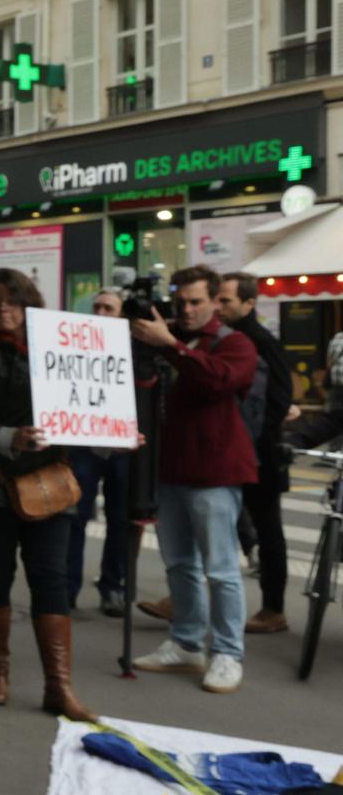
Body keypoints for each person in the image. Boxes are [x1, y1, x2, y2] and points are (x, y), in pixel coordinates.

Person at [0, 268, 95, 722]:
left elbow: (86, 400)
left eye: (12, 301)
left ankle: (59, 686)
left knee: (50, 578)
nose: (3, 309)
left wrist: (113, 431)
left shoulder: (60, 350)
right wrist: (11, 435)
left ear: (30, 305)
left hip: (50, 484)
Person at [130, 265, 259, 693]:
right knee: (180, 564)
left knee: (221, 569)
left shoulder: (234, 343)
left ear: (214, 302)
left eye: (196, 302)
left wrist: (171, 347)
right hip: (169, 470)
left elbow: (219, 381)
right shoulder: (165, 338)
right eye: (180, 301)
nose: (186, 309)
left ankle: (227, 652)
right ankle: (186, 642)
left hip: (216, 472)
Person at [217, 271, 294, 635]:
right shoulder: (228, 336)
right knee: (216, 522)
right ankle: (184, 598)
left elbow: (279, 399)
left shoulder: (259, 339)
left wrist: (253, 441)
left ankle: (273, 609)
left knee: (267, 529)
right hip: (235, 450)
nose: (219, 306)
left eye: (226, 300)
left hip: (259, 454)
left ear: (248, 303)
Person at [68, 288, 136, 617]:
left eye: (108, 308)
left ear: (121, 315)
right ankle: (67, 590)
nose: (101, 312)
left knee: (120, 521)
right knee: (75, 516)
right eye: (96, 307)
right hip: (84, 445)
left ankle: (112, 586)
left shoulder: (135, 349)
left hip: (122, 448)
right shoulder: (75, 345)